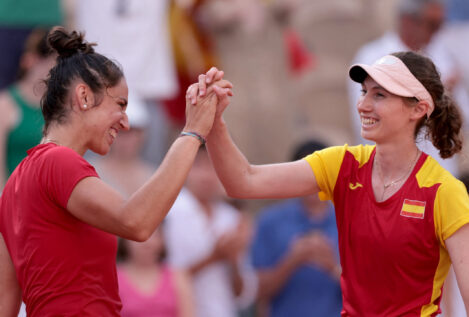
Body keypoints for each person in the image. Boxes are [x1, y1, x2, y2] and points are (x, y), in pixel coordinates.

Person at [189, 51, 469, 315]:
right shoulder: (343, 165)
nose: (363, 104)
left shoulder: (445, 192)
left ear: (418, 109)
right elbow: (243, 182)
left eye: (379, 95)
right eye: (364, 92)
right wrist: (214, 125)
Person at [0, 26, 232, 316]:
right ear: (83, 96)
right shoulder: (58, 162)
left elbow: (5, 303)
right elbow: (137, 222)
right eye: (120, 105)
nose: (124, 123)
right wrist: (193, 131)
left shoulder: (15, 183)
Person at [347, 0, 468, 176]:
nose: (439, 32)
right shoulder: (371, 57)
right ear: (408, 21)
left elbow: (461, 122)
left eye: (441, 24)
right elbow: (367, 122)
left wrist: (448, 95)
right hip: (392, 176)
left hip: (440, 177)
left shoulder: (443, 55)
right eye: (432, 24)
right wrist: (439, 94)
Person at [251, 139, 342, 317]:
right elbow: (255, 291)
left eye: (321, 175)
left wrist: (332, 267)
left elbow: (372, 292)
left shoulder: (349, 220)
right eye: (308, 175)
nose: (314, 184)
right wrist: (293, 260)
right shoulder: (270, 222)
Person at [163, 147, 257, 317]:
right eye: (199, 165)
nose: (207, 175)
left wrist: (233, 261)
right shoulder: (169, 214)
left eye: (213, 166)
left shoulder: (232, 218)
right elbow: (159, 282)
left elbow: (243, 294)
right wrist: (214, 257)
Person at [0, 28, 56, 189]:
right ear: (29, 60)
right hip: (12, 202)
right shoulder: (5, 104)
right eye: (47, 62)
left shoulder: (60, 109)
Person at [117, 228, 194, 317]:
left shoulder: (178, 276)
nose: (146, 243)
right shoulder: (113, 278)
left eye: (153, 236)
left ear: (162, 240)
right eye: (137, 237)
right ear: (125, 241)